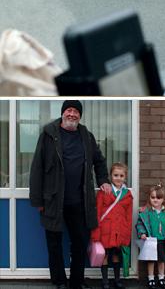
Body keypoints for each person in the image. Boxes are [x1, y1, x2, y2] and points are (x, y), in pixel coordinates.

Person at [29, 100, 111, 289]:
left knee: (80, 243)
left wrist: (104, 180)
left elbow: (99, 161)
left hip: (80, 202)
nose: (72, 114)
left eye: (76, 111)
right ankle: (59, 281)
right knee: (54, 244)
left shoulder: (86, 136)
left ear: (80, 116)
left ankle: (76, 281)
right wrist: (38, 199)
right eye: (69, 110)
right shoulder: (49, 134)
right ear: (63, 113)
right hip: (53, 200)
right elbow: (37, 168)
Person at [91, 162, 133, 289]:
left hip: (119, 232)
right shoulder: (103, 193)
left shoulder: (127, 195)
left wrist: (126, 233)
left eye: (121, 175)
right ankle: (105, 282)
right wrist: (96, 233)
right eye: (115, 175)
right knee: (104, 255)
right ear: (110, 176)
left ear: (125, 177)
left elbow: (129, 216)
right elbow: (97, 213)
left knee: (116, 256)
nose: (118, 178)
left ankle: (117, 280)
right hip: (105, 230)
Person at [136, 183, 165, 289]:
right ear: (149, 198)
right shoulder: (147, 212)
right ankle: (151, 279)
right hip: (151, 241)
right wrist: (142, 233)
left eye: (158, 198)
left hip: (162, 240)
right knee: (151, 261)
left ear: (163, 199)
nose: (155, 200)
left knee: (161, 261)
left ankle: (161, 278)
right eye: (153, 197)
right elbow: (140, 224)